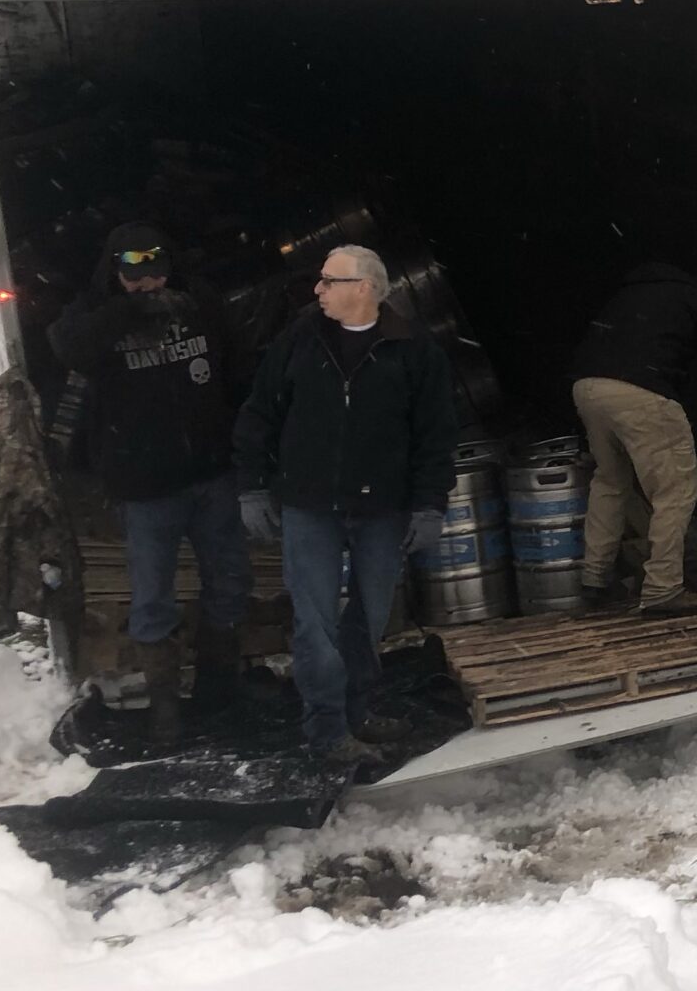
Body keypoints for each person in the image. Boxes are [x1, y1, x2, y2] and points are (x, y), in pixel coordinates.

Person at [234, 245, 456, 767]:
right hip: (310, 506)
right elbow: (258, 413)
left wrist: (429, 505)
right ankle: (327, 729)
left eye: (329, 281)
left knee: (370, 618)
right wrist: (252, 487)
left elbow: (436, 436)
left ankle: (357, 712)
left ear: (364, 288)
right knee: (315, 623)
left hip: (383, 509)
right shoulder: (299, 341)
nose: (318, 290)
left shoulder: (414, 351)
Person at [47, 223, 248, 745]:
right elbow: (69, 348)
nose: (148, 284)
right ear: (114, 274)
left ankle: (219, 688)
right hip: (144, 488)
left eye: (156, 273)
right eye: (134, 276)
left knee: (229, 583)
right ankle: (165, 708)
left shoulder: (199, 302)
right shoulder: (92, 317)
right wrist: (127, 312)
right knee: (152, 599)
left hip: (211, 473)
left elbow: (240, 365)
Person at [569, 263, 697, 616]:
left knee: (610, 480)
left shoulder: (624, 295)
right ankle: (662, 589)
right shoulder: (693, 298)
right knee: (674, 490)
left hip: (587, 387)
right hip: (642, 391)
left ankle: (594, 578)